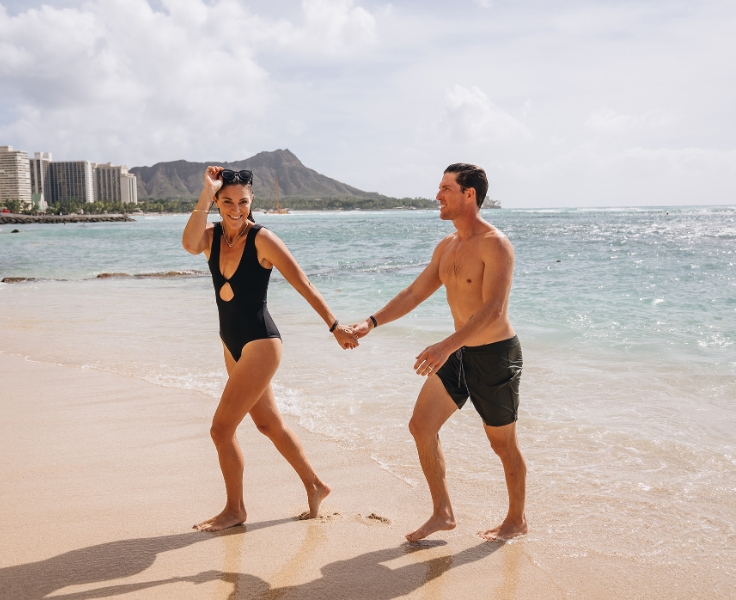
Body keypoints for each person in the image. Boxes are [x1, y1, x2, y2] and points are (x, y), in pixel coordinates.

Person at [350, 163, 527, 542]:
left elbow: (493, 309)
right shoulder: (447, 246)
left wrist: (446, 345)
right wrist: (371, 322)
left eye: (446, 188)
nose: (438, 195)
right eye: (439, 187)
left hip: (494, 355)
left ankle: (516, 520)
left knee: (501, 444)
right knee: (421, 426)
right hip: (459, 352)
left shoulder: (496, 244)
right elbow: (414, 293)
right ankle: (443, 513)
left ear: (469, 195)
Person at [182, 166, 357, 532]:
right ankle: (316, 484)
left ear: (252, 202)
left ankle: (235, 509)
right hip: (231, 343)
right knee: (267, 423)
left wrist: (334, 326)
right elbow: (188, 243)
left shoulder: (263, 239)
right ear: (216, 202)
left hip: (261, 343)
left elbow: (303, 283)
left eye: (243, 202)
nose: (236, 208)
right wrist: (205, 192)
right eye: (227, 201)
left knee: (220, 430)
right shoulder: (211, 237)